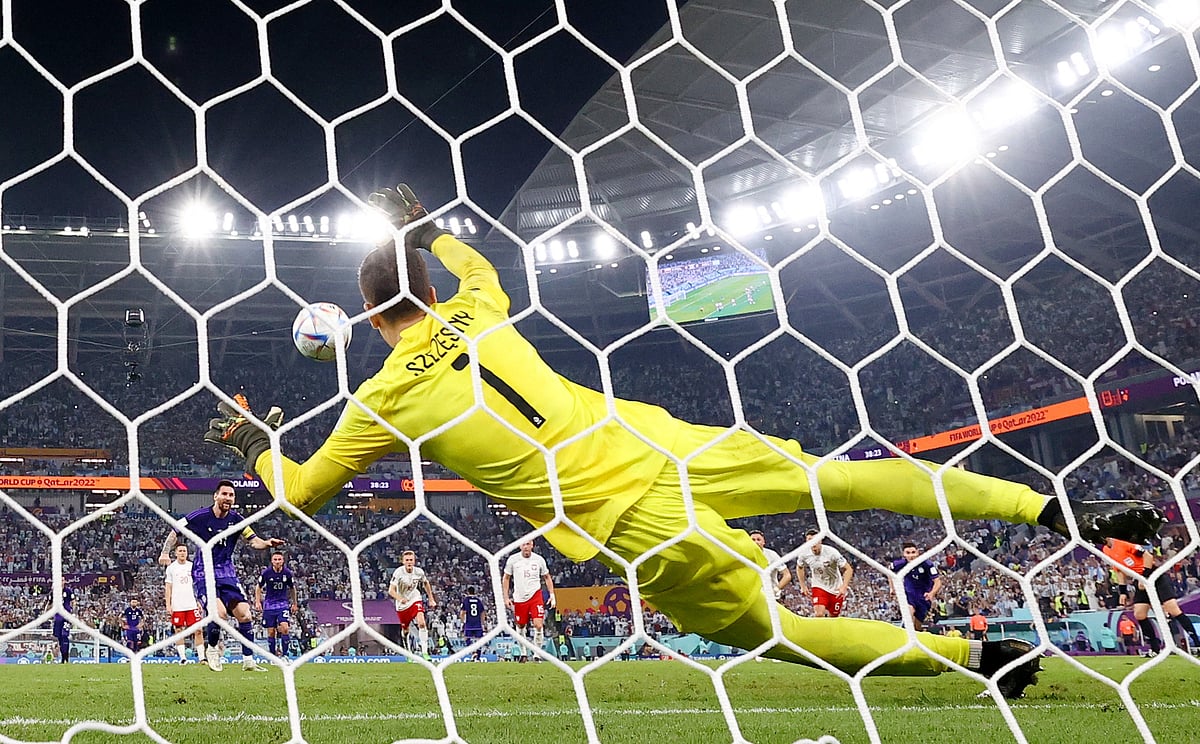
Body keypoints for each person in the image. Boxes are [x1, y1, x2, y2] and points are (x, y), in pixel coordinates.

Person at [203, 182, 1165, 699]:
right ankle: (1055, 507)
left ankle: (976, 662)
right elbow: (476, 261)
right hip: (665, 439)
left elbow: (299, 496)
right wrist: (429, 229)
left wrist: (251, 441)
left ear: (372, 324)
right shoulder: (483, 302)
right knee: (851, 480)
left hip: (633, 519)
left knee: (779, 636)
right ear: (426, 289)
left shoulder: (378, 399)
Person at [158, 479, 285, 672]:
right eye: (224, 494)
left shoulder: (237, 520)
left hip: (226, 572)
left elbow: (253, 541)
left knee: (245, 614)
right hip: (203, 571)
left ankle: (248, 660)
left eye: (231, 495)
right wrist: (165, 552)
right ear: (215, 496)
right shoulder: (200, 516)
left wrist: (267, 543)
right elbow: (175, 530)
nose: (228, 498)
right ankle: (212, 650)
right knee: (220, 614)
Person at [1102, 537, 1199, 656]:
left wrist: (1146, 576)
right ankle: (1155, 649)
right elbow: (1119, 571)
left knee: (1173, 610)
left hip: (1154, 576)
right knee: (1139, 614)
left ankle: (1197, 643)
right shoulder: (1106, 550)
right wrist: (1123, 591)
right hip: (1140, 581)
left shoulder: (1123, 544)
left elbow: (1147, 556)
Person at [502, 540, 556, 660]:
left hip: (535, 596)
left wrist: (552, 595)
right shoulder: (513, 560)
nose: (526, 547)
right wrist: (506, 597)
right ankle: (523, 653)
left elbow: (547, 577)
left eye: (528, 544)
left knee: (538, 624)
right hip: (519, 598)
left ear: (532, 545)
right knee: (521, 625)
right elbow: (506, 578)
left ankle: (537, 654)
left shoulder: (539, 560)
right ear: (520, 546)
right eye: (523, 544)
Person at [794, 528, 853, 618]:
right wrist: (803, 585)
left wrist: (844, 586)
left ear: (820, 540)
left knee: (833, 616)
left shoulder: (832, 552)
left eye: (814, 540)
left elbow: (848, 569)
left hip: (835, 587)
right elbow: (799, 567)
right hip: (819, 585)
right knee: (819, 614)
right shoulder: (804, 554)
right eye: (809, 540)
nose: (812, 543)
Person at [389, 550, 437, 657]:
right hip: (402, 604)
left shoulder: (419, 572)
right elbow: (391, 590)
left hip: (415, 598)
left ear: (414, 561)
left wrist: (431, 598)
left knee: (421, 623)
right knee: (405, 630)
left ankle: (425, 652)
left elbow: (426, 583)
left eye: (411, 560)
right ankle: (407, 649)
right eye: (407, 560)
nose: (409, 562)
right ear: (403, 562)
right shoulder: (398, 573)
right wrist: (400, 598)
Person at [164, 543, 205, 664]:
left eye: (184, 551)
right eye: (180, 551)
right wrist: (168, 605)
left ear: (187, 553)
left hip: (191, 604)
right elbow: (168, 587)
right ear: (176, 553)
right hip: (178, 605)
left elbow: (197, 585)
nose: (182, 553)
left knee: (198, 630)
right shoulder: (171, 568)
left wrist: (199, 601)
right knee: (179, 630)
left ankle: (202, 657)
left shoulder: (192, 567)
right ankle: (182, 658)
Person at [255, 550, 299, 660]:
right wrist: (257, 601)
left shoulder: (287, 573)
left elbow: (292, 588)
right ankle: (273, 656)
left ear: (283, 560)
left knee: (285, 628)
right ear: (272, 561)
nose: (277, 561)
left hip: (282, 604)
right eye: (275, 559)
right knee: (271, 632)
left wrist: (294, 603)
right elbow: (258, 587)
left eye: (279, 559)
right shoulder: (266, 573)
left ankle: (285, 655)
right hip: (269, 605)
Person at [893, 542, 942, 632]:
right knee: (909, 612)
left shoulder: (927, 564)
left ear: (917, 553)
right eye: (908, 553)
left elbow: (938, 581)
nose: (911, 555)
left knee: (918, 627)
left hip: (924, 597)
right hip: (909, 594)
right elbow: (889, 572)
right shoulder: (900, 564)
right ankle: (903, 635)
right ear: (903, 554)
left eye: (913, 552)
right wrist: (892, 588)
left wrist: (932, 593)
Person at [748, 529, 792, 600]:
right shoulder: (744, 556)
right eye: (753, 540)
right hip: (753, 598)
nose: (756, 542)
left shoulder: (771, 555)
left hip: (771, 598)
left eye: (758, 539)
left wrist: (776, 589)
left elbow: (787, 575)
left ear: (763, 542)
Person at [460, 585, 487, 659]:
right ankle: (478, 657)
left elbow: (462, 612)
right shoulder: (478, 600)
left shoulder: (466, 600)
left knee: (467, 638)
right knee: (479, 640)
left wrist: (462, 622)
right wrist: (483, 623)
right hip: (477, 623)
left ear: (468, 592)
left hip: (469, 623)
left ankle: (473, 652)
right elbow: (483, 612)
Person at [52, 577, 73, 664]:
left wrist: (73, 613)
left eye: (62, 580)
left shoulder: (68, 591)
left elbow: (73, 602)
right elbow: (49, 603)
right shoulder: (54, 592)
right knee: (59, 637)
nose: (61, 582)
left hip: (66, 617)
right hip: (57, 617)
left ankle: (66, 658)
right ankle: (63, 657)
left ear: (65, 581)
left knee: (65, 636)